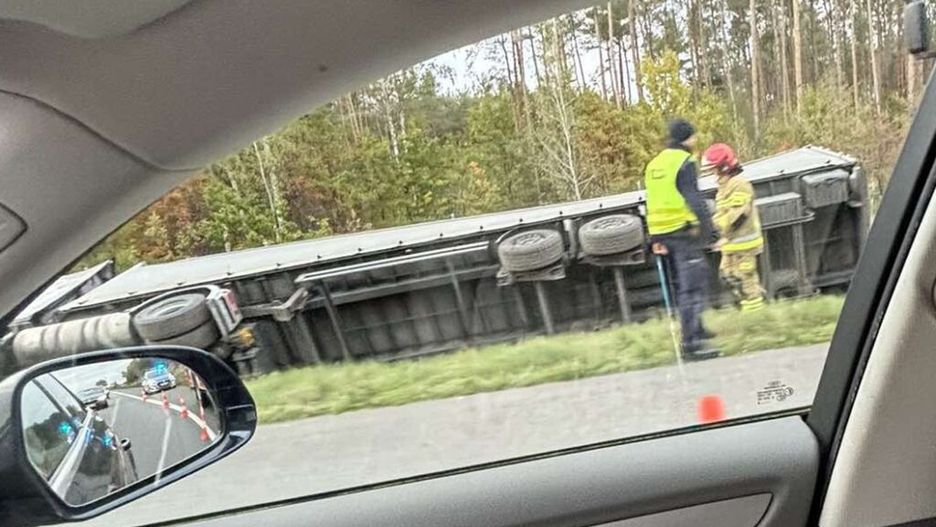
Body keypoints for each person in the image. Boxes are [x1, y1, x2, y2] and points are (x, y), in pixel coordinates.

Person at [644, 118, 720, 360]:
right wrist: (709, 230)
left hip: (662, 232)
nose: (696, 140)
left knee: (688, 282)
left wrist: (654, 236)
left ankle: (697, 328)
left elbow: (653, 201)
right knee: (692, 287)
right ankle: (691, 345)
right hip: (682, 231)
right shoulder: (684, 162)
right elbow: (693, 197)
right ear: (687, 138)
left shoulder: (655, 163)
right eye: (694, 136)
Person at [704, 143, 765, 312]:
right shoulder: (725, 185)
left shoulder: (738, 184)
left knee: (745, 280)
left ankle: (756, 314)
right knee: (728, 276)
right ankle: (746, 309)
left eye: (713, 168)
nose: (711, 172)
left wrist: (720, 232)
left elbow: (738, 215)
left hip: (743, 244)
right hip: (731, 244)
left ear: (723, 166)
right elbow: (722, 212)